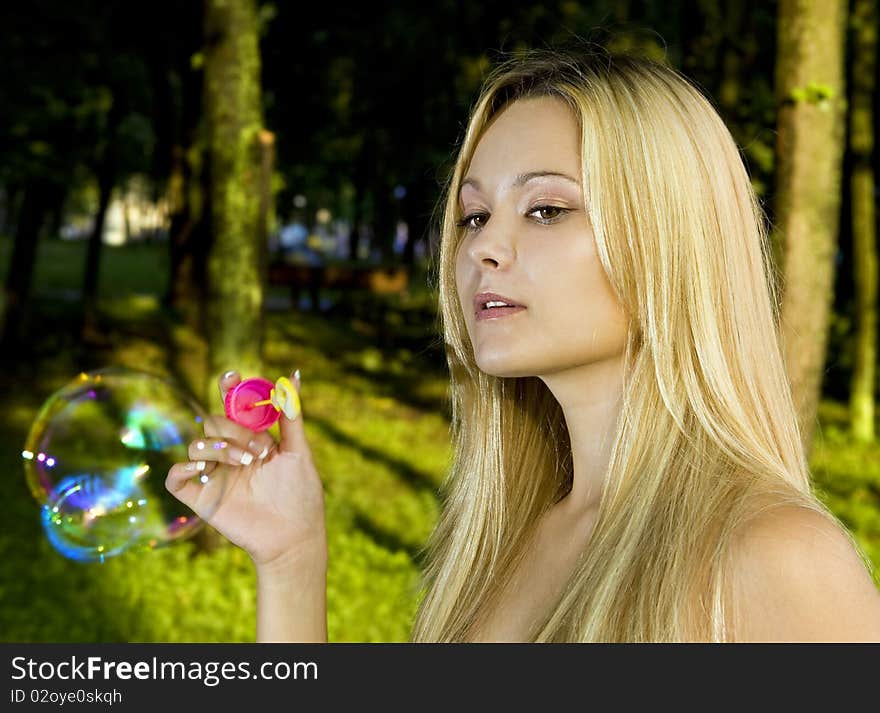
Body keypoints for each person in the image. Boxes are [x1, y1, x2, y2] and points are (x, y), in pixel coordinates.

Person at [166, 45, 880, 642]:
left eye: (545, 208)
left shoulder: (776, 555)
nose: (484, 249)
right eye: (475, 215)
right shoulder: (507, 541)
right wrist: (293, 559)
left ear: (671, 241)